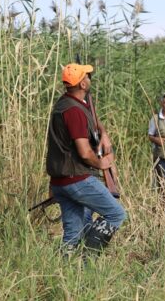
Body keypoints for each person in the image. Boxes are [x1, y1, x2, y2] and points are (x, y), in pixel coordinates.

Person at [46, 63, 126, 256]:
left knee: (73, 234)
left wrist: (103, 133)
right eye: (87, 77)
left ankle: (67, 273)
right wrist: (102, 163)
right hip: (77, 179)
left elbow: (93, 119)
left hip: (61, 182)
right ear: (82, 84)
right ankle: (88, 256)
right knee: (116, 214)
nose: (90, 79)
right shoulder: (74, 112)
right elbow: (84, 152)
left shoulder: (68, 103)